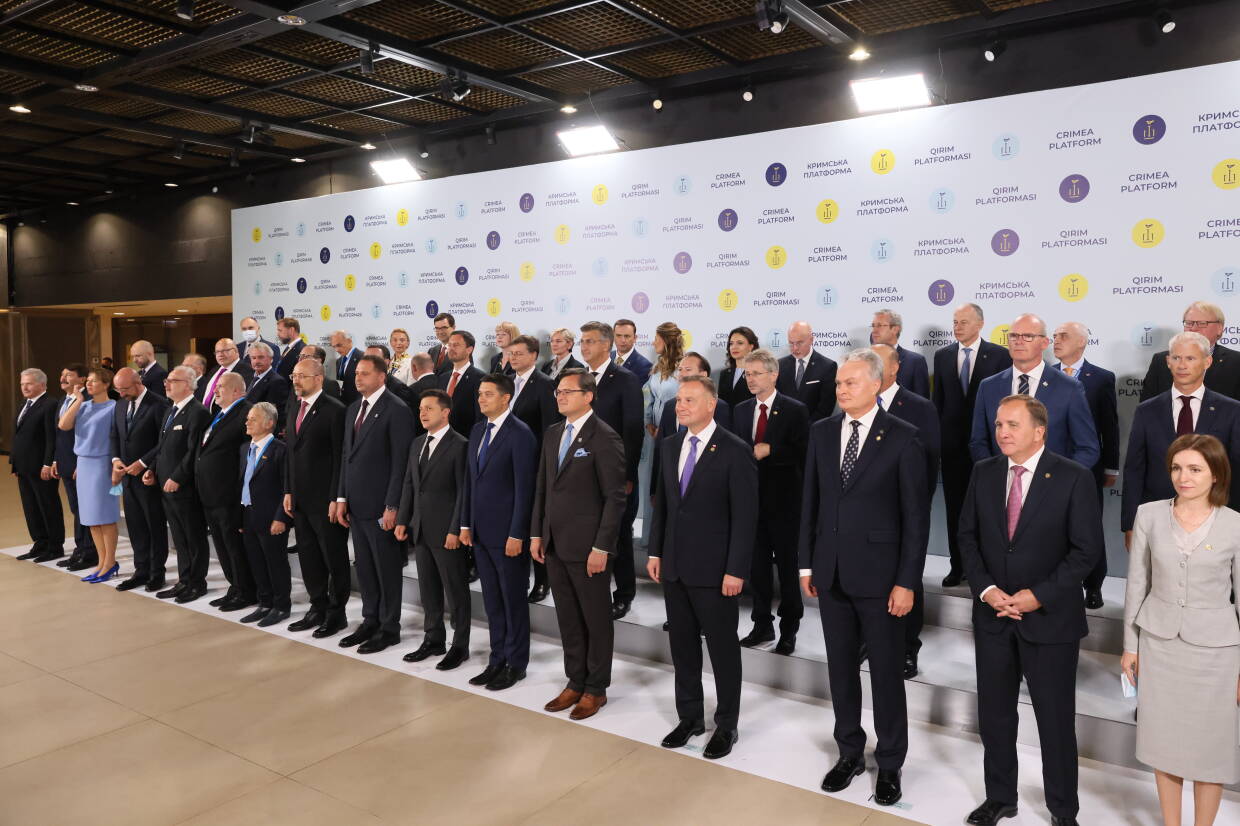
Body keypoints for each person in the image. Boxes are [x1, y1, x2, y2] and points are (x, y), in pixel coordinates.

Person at [958, 395, 1101, 826]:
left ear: (1039, 431)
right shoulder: (983, 472)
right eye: (999, 424)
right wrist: (986, 590)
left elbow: (1085, 551)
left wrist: (1038, 595)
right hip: (994, 616)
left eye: (1012, 425)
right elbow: (967, 537)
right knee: (995, 717)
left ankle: (1063, 810)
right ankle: (1000, 797)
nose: (1002, 432)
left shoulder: (1074, 477)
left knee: (1055, 722)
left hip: (1050, 619)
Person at [799, 349, 928, 806]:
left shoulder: (904, 437)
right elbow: (810, 502)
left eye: (850, 382)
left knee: (887, 675)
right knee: (841, 671)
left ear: (876, 385)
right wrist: (806, 564)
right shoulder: (822, 431)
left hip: (883, 580)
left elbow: (916, 520)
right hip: (831, 573)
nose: (841, 389)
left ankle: (890, 762)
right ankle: (849, 752)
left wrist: (906, 582)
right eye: (838, 383)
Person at [1123, 433, 1240, 826]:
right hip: (1159, 646)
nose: (1183, 477)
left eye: (1194, 469)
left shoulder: (1235, 525)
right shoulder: (1148, 515)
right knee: (1164, 745)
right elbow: (1137, 584)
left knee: (1211, 751)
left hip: (1216, 656)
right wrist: (1130, 647)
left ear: (1216, 474)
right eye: (1176, 468)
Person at [648, 375, 757, 760]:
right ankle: (690, 717)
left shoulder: (735, 450)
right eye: (679, 400)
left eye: (690, 400)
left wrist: (736, 569)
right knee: (683, 649)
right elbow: (663, 505)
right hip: (675, 566)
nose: (680, 406)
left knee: (723, 651)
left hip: (716, 571)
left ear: (711, 405)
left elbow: (745, 517)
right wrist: (655, 551)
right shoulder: (670, 445)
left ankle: (727, 725)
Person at [531, 369, 627, 720]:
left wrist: (602, 547)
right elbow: (543, 487)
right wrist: (537, 533)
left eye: (568, 391)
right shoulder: (553, 432)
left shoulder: (605, 437)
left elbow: (615, 498)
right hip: (555, 542)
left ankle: (596, 688)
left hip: (589, 548)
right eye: (558, 391)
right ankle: (575, 680)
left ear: (588, 396)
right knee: (569, 618)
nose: (560, 396)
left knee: (595, 619)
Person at [1122, 332, 1240, 544]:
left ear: (1207, 362)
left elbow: (1236, 470)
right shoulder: (1146, 411)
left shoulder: (1231, 410)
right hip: (1157, 520)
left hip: (1214, 518)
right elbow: (1134, 470)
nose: (1182, 365)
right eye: (1176, 358)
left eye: (1190, 358)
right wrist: (1130, 524)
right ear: (1168, 362)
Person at [460, 373, 538, 691]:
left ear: (506, 398)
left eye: (488, 394)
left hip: (508, 535)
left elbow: (525, 490)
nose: (481, 399)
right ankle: (497, 659)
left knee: (512, 601)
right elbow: (470, 481)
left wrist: (517, 533)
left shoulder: (521, 434)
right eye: (480, 394)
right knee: (492, 601)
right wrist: (465, 524)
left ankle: (515, 663)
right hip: (480, 532)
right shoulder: (478, 430)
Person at [336, 355, 414, 654]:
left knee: (386, 570)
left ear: (382, 377)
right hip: (356, 505)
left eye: (365, 374)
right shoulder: (353, 408)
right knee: (366, 568)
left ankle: (389, 627)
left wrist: (393, 506)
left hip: (382, 507)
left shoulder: (397, 409)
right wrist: (342, 497)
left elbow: (400, 463)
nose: (358, 378)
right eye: (357, 373)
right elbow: (347, 457)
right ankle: (370, 620)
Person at [733, 349, 809, 655]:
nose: (750, 379)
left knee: (788, 569)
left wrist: (772, 450)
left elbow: (805, 453)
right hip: (752, 504)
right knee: (757, 569)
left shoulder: (795, 410)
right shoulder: (741, 410)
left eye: (756, 373)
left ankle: (789, 630)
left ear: (773, 375)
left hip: (785, 504)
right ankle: (761, 624)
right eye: (747, 374)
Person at [873, 344, 941, 679]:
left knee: (907, 577)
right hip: (865, 517)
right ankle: (870, 642)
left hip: (904, 512)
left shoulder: (919, 407)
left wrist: (914, 508)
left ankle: (908, 649)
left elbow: (929, 463)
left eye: (877, 363)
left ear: (895, 367)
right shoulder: (857, 404)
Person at [933, 303, 1012, 587]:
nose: (957, 327)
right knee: (955, 509)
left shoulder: (1000, 355)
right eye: (955, 322)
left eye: (964, 322)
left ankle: (988, 569)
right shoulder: (942, 356)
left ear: (980, 324)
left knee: (989, 511)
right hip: (952, 450)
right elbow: (938, 403)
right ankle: (958, 566)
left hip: (989, 448)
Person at [396, 389, 471, 671]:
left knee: (456, 591)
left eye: (429, 408)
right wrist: (403, 519)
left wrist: (455, 529)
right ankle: (433, 638)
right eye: (420, 409)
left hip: (447, 531)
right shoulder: (417, 443)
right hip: (421, 529)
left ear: (445, 412)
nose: (423, 413)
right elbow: (409, 484)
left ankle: (460, 645)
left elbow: (463, 492)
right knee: (428, 589)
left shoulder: (460, 445)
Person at [970, 314, 1100, 469]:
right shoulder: (988, 386)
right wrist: (994, 474)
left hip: (1051, 481)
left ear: (1044, 343)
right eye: (1013, 336)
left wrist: (1063, 479)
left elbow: (1087, 448)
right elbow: (978, 442)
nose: (1018, 341)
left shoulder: (1069, 388)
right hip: (1001, 481)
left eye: (1028, 336)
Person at [579, 321, 644, 620]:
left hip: (614, 474)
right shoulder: (578, 378)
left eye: (590, 341)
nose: (584, 346)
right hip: (582, 472)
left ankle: (624, 594)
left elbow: (633, 431)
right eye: (582, 341)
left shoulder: (625, 379)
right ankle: (594, 590)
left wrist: (627, 475)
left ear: (607, 345)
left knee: (618, 535)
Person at [1052, 321, 1119, 609]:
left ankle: (1093, 586)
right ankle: (1057, 585)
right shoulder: (1045, 375)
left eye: (1063, 336)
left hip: (1088, 467)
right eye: (1054, 336)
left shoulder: (1101, 378)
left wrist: (1111, 467)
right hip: (1051, 468)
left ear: (1082, 342)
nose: (1056, 340)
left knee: (1088, 527)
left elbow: (1110, 425)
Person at [283, 358, 350, 638]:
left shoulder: (335, 410)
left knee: (333, 558)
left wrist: (337, 496)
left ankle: (337, 613)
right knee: (309, 558)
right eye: (294, 376)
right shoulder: (293, 407)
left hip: (326, 501)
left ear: (319, 378)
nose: (296, 381)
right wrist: (288, 490)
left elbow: (340, 458)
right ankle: (317, 606)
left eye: (302, 376)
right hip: (300, 498)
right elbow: (290, 453)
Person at [144, 366, 212, 604]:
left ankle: (197, 583)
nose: (167, 384)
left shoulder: (198, 413)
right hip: (166, 485)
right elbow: (162, 447)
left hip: (185, 487)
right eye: (167, 380)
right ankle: (184, 580)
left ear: (188, 384)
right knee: (179, 537)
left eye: (173, 380)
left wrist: (178, 478)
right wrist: (152, 469)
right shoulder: (171, 410)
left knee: (193, 536)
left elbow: (194, 453)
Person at [507, 334, 561, 602]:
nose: (513, 358)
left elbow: (550, 429)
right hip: (506, 463)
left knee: (535, 522)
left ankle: (542, 580)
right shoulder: (506, 381)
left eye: (519, 353)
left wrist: (544, 466)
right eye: (511, 353)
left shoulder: (545, 384)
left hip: (534, 464)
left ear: (534, 356)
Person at [197, 371, 256, 610]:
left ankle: (246, 590)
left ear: (236, 390)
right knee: (222, 545)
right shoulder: (220, 414)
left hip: (229, 493)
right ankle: (235, 586)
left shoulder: (246, 413)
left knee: (234, 546)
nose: (215, 390)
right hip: (211, 492)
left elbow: (246, 457)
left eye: (221, 386)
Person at [57, 368, 121, 582]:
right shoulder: (82, 406)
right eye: (88, 381)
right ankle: (102, 561)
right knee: (91, 518)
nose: (89, 384)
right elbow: (63, 425)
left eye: (94, 381)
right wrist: (78, 399)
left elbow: (116, 438)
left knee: (105, 516)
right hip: (83, 463)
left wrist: (115, 466)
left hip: (103, 464)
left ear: (106, 384)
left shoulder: (114, 407)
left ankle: (110, 561)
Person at [110, 367, 171, 592]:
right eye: (118, 389)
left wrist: (144, 463)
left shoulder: (159, 404)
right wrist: (116, 460)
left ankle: (157, 573)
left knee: (154, 526)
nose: (121, 393)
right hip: (127, 476)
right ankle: (141, 570)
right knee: (136, 526)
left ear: (138, 383)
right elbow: (115, 435)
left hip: (148, 477)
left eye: (124, 389)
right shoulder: (120, 404)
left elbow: (163, 441)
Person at [237, 402, 293, 627]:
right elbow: (242, 483)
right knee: (257, 561)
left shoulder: (281, 450)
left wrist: (281, 517)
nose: (247, 422)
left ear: (269, 423)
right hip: (248, 513)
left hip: (271, 517)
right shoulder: (245, 448)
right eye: (248, 418)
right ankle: (265, 602)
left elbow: (286, 487)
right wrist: (241, 517)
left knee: (275, 562)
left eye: (253, 419)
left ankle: (281, 606)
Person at [11, 368, 63, 563]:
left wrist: (48, 463)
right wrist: (14, 463)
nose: (24, 387)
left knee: (47, 505)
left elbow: (51, 438)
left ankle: (55, 546)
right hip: (24, 466)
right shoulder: (24, 403)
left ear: (42, 384)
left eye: (29, 384)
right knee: (31, 507)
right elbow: (18, 435)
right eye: (22, 384)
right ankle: (40, 542)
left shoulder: (50, 404)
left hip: (41, 466)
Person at [1141, 301, 1240, 401]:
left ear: (1219, 328)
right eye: (1189, 323)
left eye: (1202, 323)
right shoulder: (1160, 360)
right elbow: (1147, 405)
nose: (1193, 328)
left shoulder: (1236, 362)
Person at [51, 365, 97, 572]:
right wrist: (55, 460)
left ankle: (89, 552)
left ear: (82, 379)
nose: (63, 378)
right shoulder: (64, 399)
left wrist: (82, 462)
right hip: (65, 462)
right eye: (62, 374)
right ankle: (80, 549)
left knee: (85, 509)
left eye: (68, 375)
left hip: (80, 463)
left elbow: (88, 435)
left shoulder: (87, 401)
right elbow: (59, 435)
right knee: (76, 509)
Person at [777, 320, 837, 422]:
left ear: (811, 339)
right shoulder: (779, 365)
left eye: (799, 343)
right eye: (791, 343)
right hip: (783, 427)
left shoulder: (827, 366)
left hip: (813, 428)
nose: (795, 348)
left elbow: (825, 408)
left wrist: (805, 428)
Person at [869, 310, 929, 399]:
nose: (874, 330)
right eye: (873, 326)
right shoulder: (863, 360)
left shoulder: (915, 361)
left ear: (895, 329)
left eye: (879, 325)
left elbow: (922, 402)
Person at [437, 330, 485, 437]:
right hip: (441, 438)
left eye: (456, 345)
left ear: (469, 349)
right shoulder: (443, 378)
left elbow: (480, 416)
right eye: (450, 345)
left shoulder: (480, 378)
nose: (451, 348)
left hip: (466, 439)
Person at [645, 322, 684, 441]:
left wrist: (664, 427)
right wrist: (648, 421)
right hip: (655, 429)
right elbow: (648, 394)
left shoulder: (684, 368)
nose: (653, 343)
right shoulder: (657, 365)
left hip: (676, 429)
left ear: (666, 341)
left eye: (656, 339)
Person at [202, 338, 253, 414]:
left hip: (227, 416)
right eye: (217, 352)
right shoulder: (214, 370)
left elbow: (242, 399)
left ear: (236, 351)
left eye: (225, 351)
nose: (220, 354)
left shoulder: (247, 371)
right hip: (205, 418)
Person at [243, 342, 288, 427]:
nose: (256, 361)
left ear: (271, 359)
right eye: (253, 358)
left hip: (261, 428)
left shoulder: (277, 381)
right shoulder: (249, 377)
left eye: (261, 357)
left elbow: (274, 414)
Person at [718, 326, 758, 408]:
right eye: (731, 343)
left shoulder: (758, 372)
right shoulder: (724, 373)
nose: (734, 347)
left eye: (740, 343)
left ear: (751, 346)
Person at [612, 319, 652, 384]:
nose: (623, 340)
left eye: (627, 336)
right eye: (618, 335)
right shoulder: (606, 358)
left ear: (635, 338)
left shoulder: (644, 366)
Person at [330, 330, 362, 404]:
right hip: (342, 404)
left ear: (349, 341)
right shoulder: (338, 361)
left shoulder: (362, 358)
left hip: (357, 404)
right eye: (334, 347)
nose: (336, 350)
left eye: (339, 345)